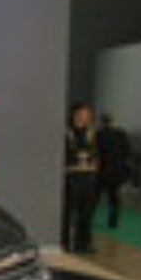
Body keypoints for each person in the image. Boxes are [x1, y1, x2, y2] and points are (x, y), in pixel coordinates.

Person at [63, 102, 97, 253]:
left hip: (88, 178)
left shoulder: (91, 133)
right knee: (67, 212)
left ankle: (83, 243)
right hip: (71, 178)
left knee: (86, 212)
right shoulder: (66, 133)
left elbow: (95, 154)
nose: (86, 118)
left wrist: (94, 165)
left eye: (88, 115)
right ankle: (64, 242)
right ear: (74, 115)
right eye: (83, 114)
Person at [95, 112, 131, 229]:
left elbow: (95, 152)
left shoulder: (98, 135)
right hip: (117, 171)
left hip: (101, 171)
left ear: (101, 122)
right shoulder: (121, 134)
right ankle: (113, 222)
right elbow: (127, 152)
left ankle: (88, 218)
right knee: (114, 198)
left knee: (94, 197)